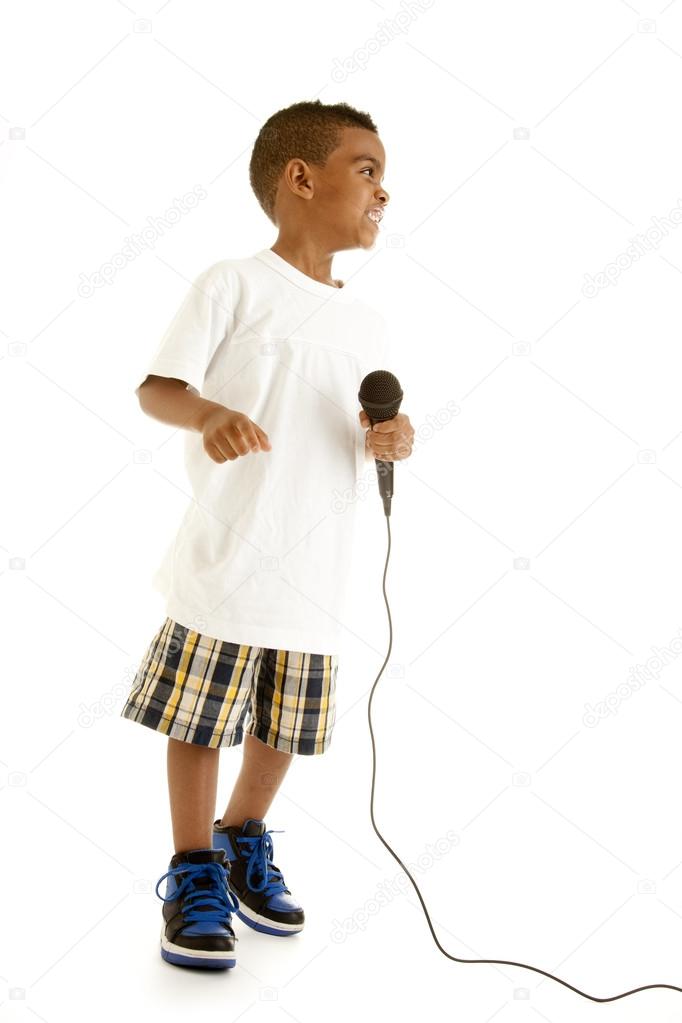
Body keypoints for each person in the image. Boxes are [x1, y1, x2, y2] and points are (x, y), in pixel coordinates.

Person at [120, 99, 415, 970]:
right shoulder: (233, 283)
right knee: (203, 718)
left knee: (285, 722)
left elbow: (357, 421)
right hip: (232, 552)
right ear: (301, 178)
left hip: (317, 566)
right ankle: (193, 866)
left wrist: (389, 437)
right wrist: (207, 410)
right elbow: (156, 387)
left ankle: (243, 835)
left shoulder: (366, 323)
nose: (383, 191)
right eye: (367, 169)